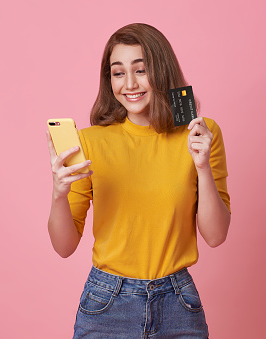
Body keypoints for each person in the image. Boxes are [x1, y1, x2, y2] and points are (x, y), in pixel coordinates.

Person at [46, 23, 231, 339]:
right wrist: (58, 194)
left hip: (178, 301)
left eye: (141, 70)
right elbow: (64, 247)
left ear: (161, 71)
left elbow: (215, 236)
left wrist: (201, 167)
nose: (129, 83)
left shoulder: (199, 133)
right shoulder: (88, 142)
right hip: (107, 302)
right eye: (118, 73)